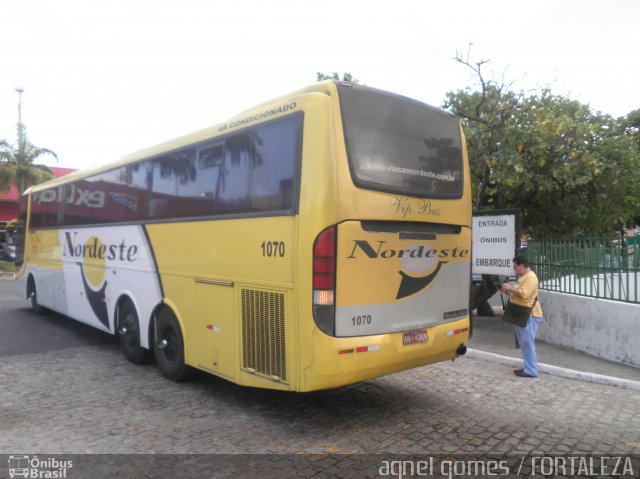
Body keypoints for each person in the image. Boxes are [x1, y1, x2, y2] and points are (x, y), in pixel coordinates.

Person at [499, 256, 543, 378]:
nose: (515, 270)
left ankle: (531, 370)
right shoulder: (524, 277)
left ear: (522, 266)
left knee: (527, 343)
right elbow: (518, 294)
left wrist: (510, 288)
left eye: (515, 267)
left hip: (530, 314)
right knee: (525, 343)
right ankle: (528, 367)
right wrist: (506, 291)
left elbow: (523, 294)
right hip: (523, 314)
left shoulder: (531, 277)